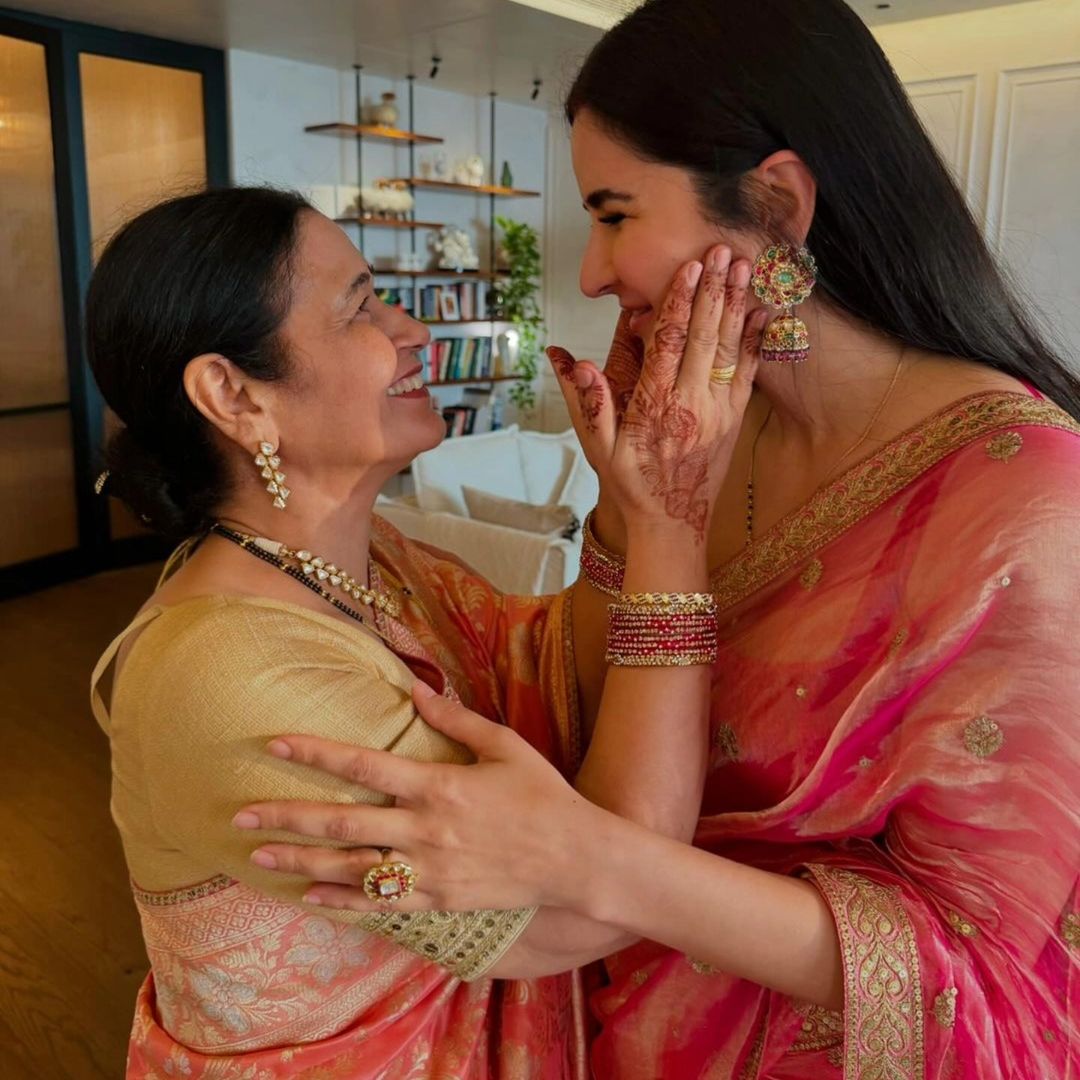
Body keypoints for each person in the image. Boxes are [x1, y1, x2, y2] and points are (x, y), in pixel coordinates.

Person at [229, 0, 1080, 1076]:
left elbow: (970, 960)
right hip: (635, 1008)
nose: (589, 275)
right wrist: (633, 508)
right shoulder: (709, 437)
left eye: (616, 213)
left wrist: (596, 866)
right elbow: (597, 705)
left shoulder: (1025, 493)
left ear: (774, 207)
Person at [87, 184, 761, 1077]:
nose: (414, 332)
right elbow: (591, 906)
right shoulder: (224, 673)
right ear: (234, 395)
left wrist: (628, 511)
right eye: (361, 305)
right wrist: (672, 526)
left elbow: (553, 664)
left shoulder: (375, 557)